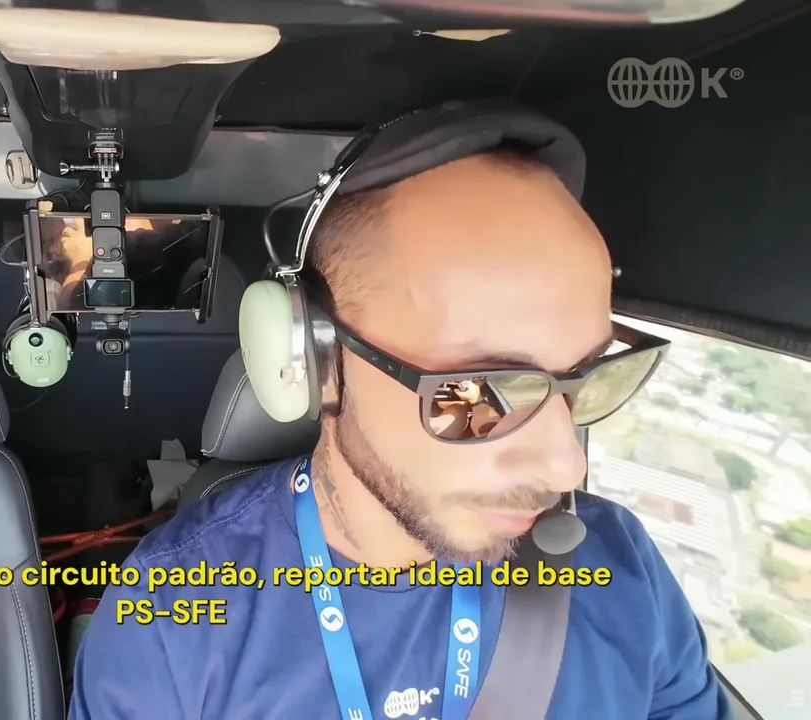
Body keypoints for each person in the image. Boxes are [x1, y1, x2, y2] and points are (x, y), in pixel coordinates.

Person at [69, 115, 731, 717]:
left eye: (585, 376)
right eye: (479, 392)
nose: (565, 467)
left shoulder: (620, 567)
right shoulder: (174, 610)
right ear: (313, 361)